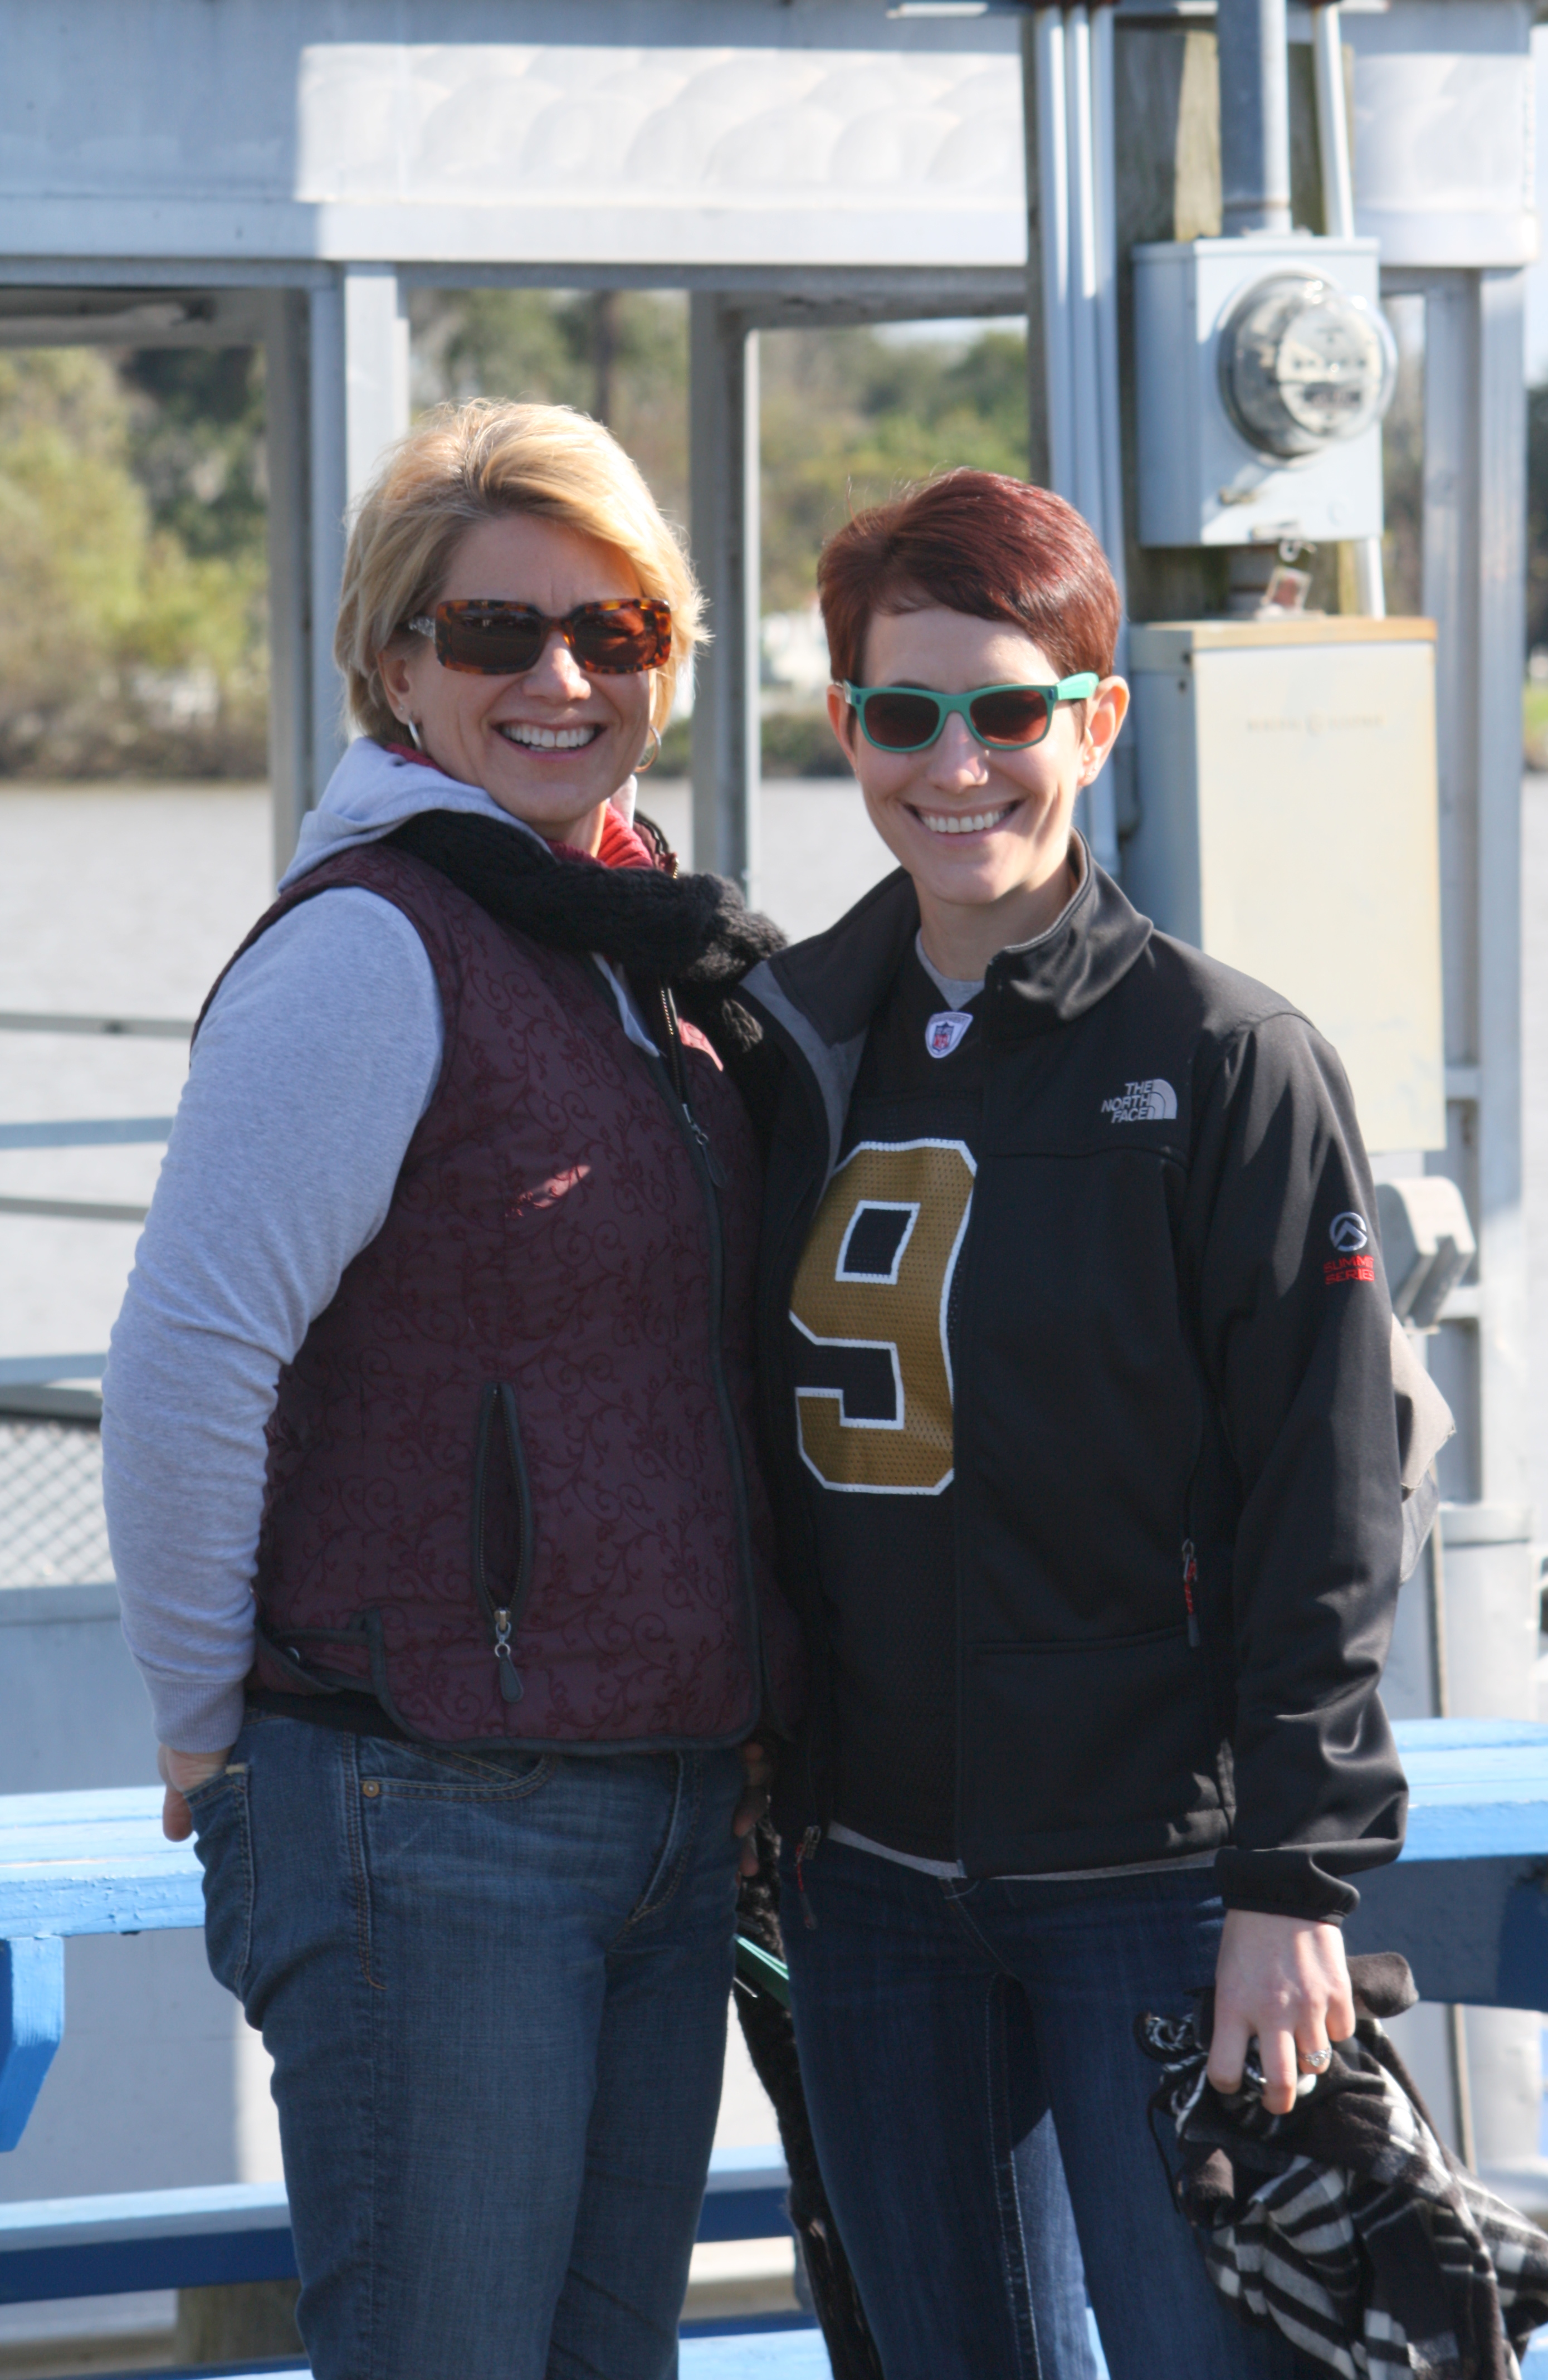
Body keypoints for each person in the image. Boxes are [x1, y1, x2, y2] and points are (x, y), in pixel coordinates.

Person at [101, 399, 802, 2380]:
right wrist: (208, 1734)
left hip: (664, 1801)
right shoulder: (372, 948)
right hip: (425, 1809)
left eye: (616, 629)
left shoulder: (644, 947)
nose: (561, 679)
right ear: (393, 663)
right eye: (497, 632)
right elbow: (187, 1364)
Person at [738, 469, 1424, 2380]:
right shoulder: (786, 1043)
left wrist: (1292, 1880)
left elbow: (1326, 1497)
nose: (956, 765)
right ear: (845, 727)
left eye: (1010, 711)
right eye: (905, 713)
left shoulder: (1226, 1061)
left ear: (1099, 720)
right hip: (870, 1886)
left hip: (1157, 1882)